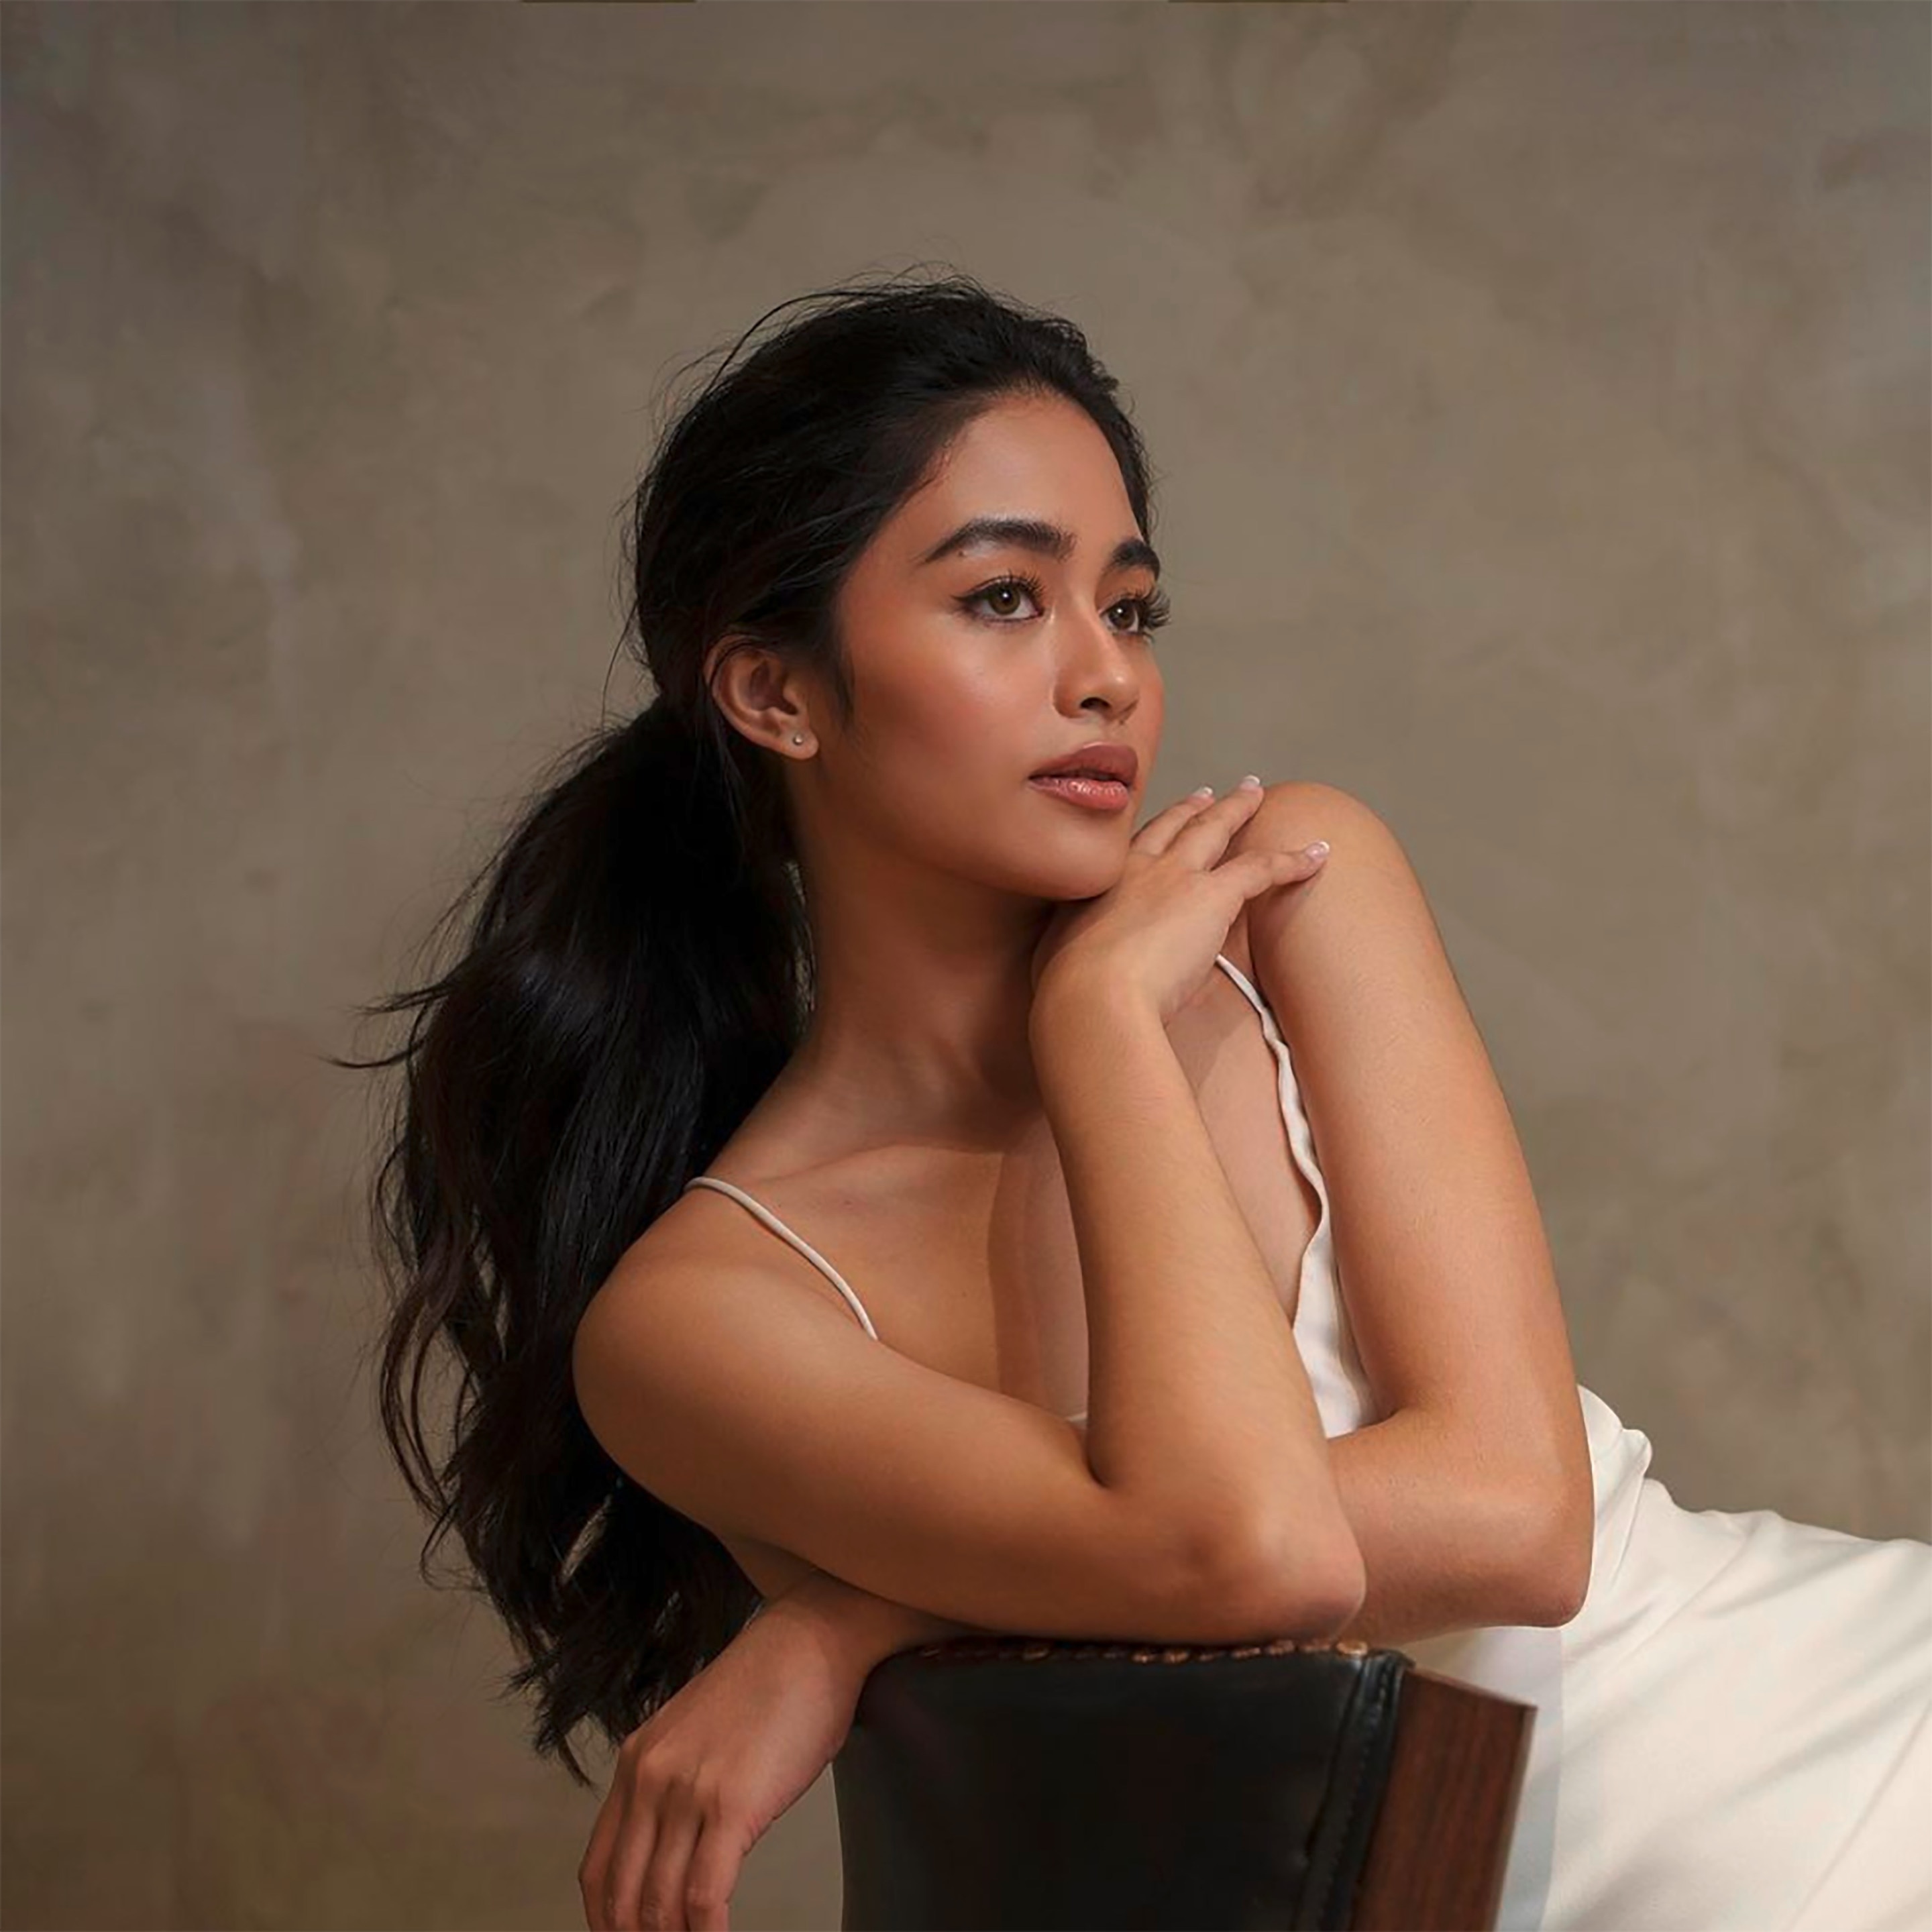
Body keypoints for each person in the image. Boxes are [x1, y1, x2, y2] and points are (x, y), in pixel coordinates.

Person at [342, 272, 1932, 1932]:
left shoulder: (1293, 884)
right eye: (1004, 601)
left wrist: (853, 1620)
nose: (1105, 676)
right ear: (776, 693)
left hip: (1854, 1751)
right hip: (1460, 1883)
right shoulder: (698, 1324)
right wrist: (1100, 1031)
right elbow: (1257, 1554)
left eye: (1132, 607)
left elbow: (1525, 1524)